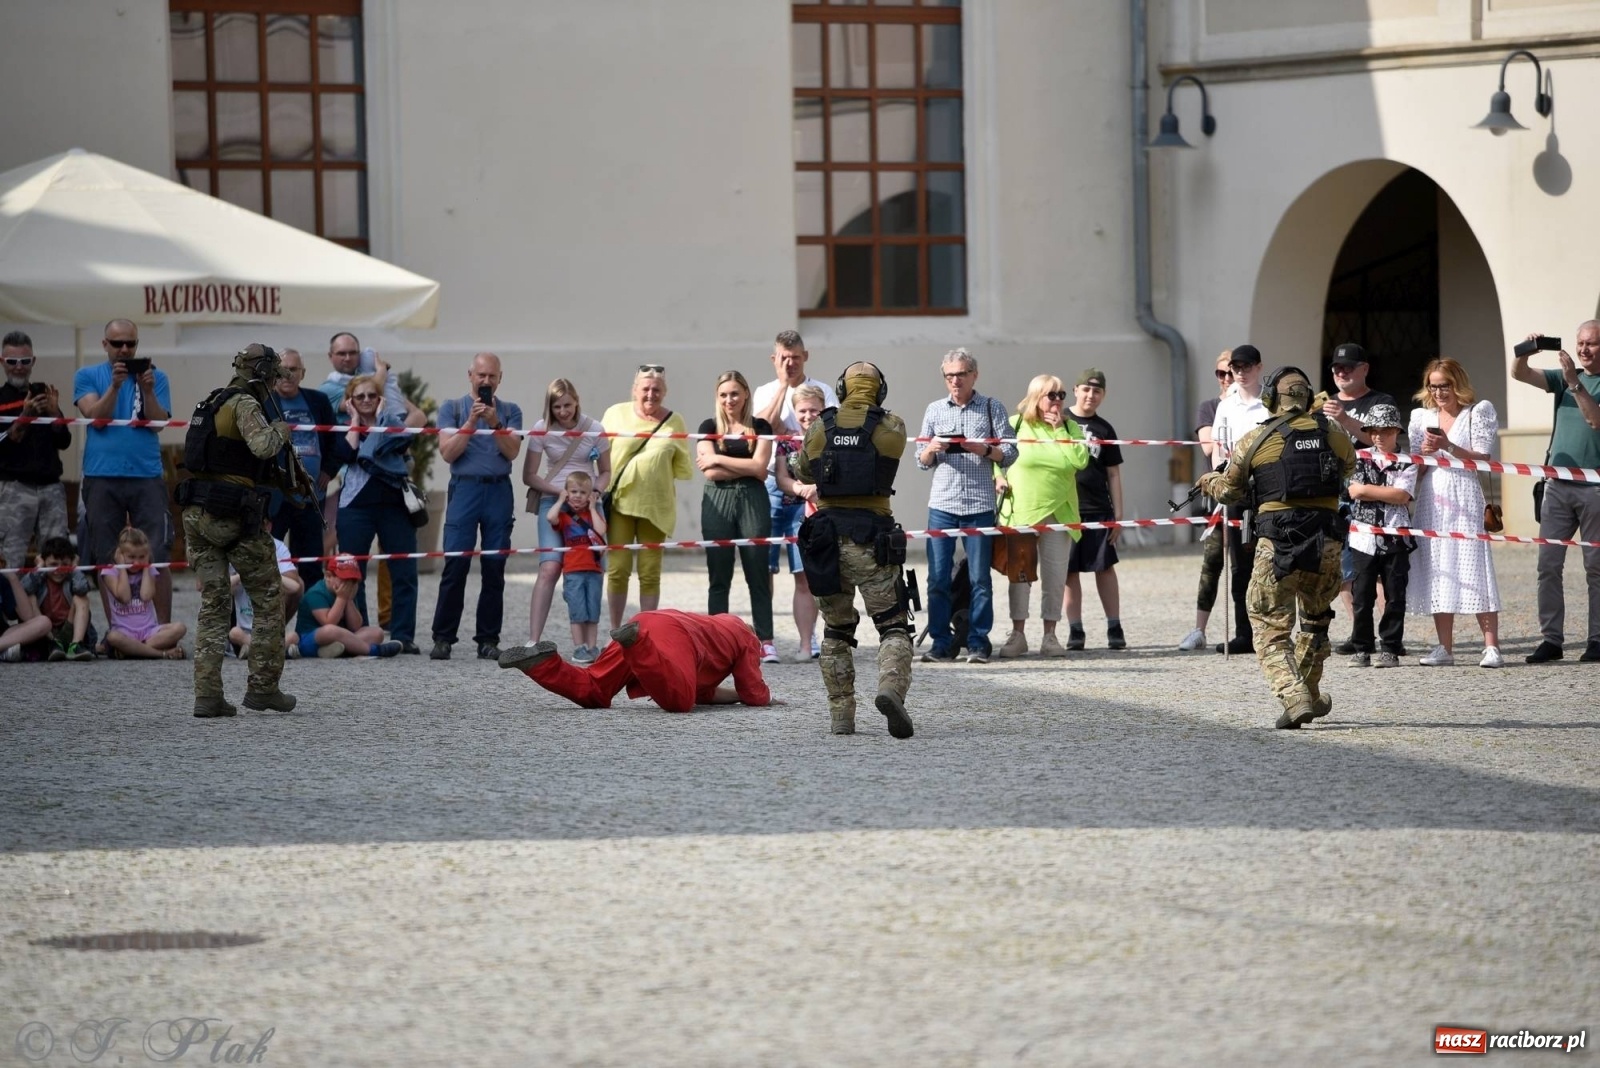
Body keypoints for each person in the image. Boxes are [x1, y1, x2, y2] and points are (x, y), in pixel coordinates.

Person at [1197, 365, 1355, 729]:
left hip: (1279, 544)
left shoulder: (1255, 439)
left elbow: (1231, 491)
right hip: (1328, 542)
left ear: (1271, 398)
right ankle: (1310, 694)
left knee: (1269, 624)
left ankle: (1293, 693)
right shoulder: (1333, 432)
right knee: (1316, 621)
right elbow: (1348, 468)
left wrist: (1207, 481)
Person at [178, 343, 315, 717]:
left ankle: (207, 696)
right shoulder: (246, 405)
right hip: (232, 514)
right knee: (270, 600)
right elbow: (263, 446)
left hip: (196, 511)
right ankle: (263, 689)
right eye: (273, 377)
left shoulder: (212, 402)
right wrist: (282, 430)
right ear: (264, 375)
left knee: (214, 603)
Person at [793, 361, 914, 738]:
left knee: (836, 630)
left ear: (842, 390)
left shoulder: (819, 427)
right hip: (873, 542)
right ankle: (890, 689)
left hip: (827, 541)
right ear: (880, 390)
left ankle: (841, 715)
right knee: (894, 626)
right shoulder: (891, 427)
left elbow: (802, 472)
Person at [915, 348, 1017, 663]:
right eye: (949, 375)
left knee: (979, 578)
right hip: (943, 504)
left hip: (979, 503)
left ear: (974, 374)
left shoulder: (991, 407)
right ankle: (941, 643)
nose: (955, 381)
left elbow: (1011, 452)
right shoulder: (934, 410)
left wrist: (986, 450)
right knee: (937, 577)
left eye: (961, 374)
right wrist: (931, 449)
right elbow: (920, 461)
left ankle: (978, 642)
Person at [73, 319, 174, 625]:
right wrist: (116, 386)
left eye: (131, 343)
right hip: (102, 475)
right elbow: (96, 417)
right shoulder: (88, 375)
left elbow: (159, 423)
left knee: (157, 553)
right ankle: (118, 632)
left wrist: (148, 391)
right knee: (107, 556)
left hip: (146, 474)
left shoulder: (156, 377)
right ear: (105, 345)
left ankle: (163, 630)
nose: (125, 350)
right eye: (118, 344)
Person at [1406, 358, 1503, 668]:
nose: (1438, 392)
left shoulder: (1477, 412)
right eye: (1433, 386)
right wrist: (1422, 456)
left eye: (1444, 385)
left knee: (1475, 566)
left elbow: (1483, 457)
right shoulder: (1422, 417)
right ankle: (1444, 647)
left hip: (1464, 493)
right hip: (1433, 496)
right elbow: (1418, 467)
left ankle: (1491, 647)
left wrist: (1448, 445)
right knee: (1438, 569)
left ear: (1457, 384)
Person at [1513, 322, 1600, 664]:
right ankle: (1551, 639)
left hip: (1595, 487)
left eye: (1591, 344)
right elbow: (1520, 374)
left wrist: (1575, 383)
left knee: (1596, 567)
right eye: (1580, 343)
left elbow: (1595, 420)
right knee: (1548, 565)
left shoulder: (1573, 380)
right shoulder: (1563, 377)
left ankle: (1597, 639)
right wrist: (1525, 351)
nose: (1583, 349)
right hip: (1558, 485)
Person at [429, 352, 522, 661]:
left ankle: (488, 639)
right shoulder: (452, 409)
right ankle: (443, 637)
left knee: (494, 568)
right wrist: (471, 421)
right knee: (455, 564)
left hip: (498, 491)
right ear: (470, 375)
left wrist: (495, 422)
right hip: (464, 489)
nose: (486, 381)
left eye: (492, 376)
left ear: (500, 378)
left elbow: (512, 453)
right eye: (481, 375)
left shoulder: (510, 411)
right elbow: (447, 453)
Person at [498, 609, 771, 714]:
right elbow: (753, 691)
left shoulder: (716, 625)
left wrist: (734, 697)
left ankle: (542, 663)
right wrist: (762, 698)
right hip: (673, 636)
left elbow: (705, 692)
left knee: (595, 688)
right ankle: (638, 645)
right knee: (679, 701)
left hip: (646, 620)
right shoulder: (746, 637)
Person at [753, 330, 838, 662]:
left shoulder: (824, 391)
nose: (790, 363)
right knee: (766, 570)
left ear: (806, 356)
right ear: (775, 359)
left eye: (796, 357)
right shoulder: (764, 391)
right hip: (773, 486)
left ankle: (808, 639)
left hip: (810, 490)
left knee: (805, 572)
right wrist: (784, 391)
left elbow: (831, 432)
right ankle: (766, 641)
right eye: (783, 358)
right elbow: (765, 429)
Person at [992, 374, 1089, 658]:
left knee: (1055, 577)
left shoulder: (1071, 427)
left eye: (1061, 395)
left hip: (1060, 511)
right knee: (1020, 577)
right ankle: (1018, 634)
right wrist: (999, 477)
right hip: (1021, 510)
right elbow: (996, 456)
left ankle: (1050, 636)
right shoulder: (1015, 424)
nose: (1058, 400)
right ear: (1037, 397)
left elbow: (1080, 461)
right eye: (1052, 395)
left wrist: (1060, 431)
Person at [329, 374, 421, 653]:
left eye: (372, 395)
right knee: (353, 573)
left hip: (395, 506)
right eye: (360, 397)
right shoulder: (343, 427)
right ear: (350, 401)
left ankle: (404, 635)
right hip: (356, 507)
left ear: (380, 398)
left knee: (404, 571)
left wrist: (383, 418)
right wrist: (355, 421)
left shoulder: (392, 424)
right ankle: (360, 633)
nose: (367, 400)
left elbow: (403, 441)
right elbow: (346, 453)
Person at [1321, 342, 1401, 654]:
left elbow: (1385, 440)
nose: (1341, 372)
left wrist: (1346, 420)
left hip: (1372, 495)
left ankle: (1389, 640)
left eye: (1349, 367)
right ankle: (1360, 634)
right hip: (1336, 494)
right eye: (1336, 368)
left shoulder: (1381, 401)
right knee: (1345, 572)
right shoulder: (1323, 405)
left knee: (1376, 569)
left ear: (1364, 369)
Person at [601, 366, 692, 631]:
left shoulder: (676, 421)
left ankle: (646, 632)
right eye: (645, 389)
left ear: (665, 392)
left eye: (657, 390)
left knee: (650, 572)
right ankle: (616, 630)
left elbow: (682, 466)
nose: (651, 395)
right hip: (620, 503)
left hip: (657, 505)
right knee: (618, 570)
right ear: (635, 390)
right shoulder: (615, 414)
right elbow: (599, 453)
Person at [696, 370, 777, 661]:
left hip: (753, 498)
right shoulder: (708, 426)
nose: (729, 399)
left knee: (757, 571)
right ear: (717, 397)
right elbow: (710, 472)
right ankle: (716, 638)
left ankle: (765, 638)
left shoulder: (761, 426)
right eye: (723, 394)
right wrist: (736, 464)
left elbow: (760, 468)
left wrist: (718, 457)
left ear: (745, 394)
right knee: (719, 572)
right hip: (717, 498)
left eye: (734, 393)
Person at [522, 378, 610, 645]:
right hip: (554, 503)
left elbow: (606, 471)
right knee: (549, 568)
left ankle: (589, 644)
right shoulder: (541, 429)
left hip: (589, 505)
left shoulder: (595, 429)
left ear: (577, 402)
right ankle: (534, 640)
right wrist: (557, 493)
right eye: (557, 406)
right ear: (549, 406)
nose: (563, 411)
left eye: (568, 405)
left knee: (592, 568)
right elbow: (529, 475)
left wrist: (596, 493)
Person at [1343, 404, 1415, 668]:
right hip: (1363, 537)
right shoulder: (1359, 456)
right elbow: (1353, 491)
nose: (1378, 436)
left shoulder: (1408, 460)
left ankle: (1391, 648)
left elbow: (1402, 496)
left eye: (1384, 431)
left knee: (1395, 595)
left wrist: (1367, 489)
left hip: (1396, 536)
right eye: (1373, 431)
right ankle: (1362, 648)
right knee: (1361, 595)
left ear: (1396, 430)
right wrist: (1376, 491)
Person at [1208, 344, 1269, 654]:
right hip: (1237, 491)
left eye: (1247, 366)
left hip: (1268, 492)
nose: (1241, 372)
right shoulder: (1226, 406)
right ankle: (1244, 633)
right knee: (1239, 567)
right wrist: (1220, 479)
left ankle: (1272, 631)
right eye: (1236, 367)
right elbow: (1217, 447)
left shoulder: (1270, 403)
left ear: (1259, 367)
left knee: (1272, 563)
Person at [1062, 368, 1127, 651]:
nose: (1090, 395)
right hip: (1067, 509)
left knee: (1105, 568)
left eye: (1097, 391)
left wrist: (1119, 515)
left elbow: (1113, 474)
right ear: (1075, 390)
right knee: (1069, 572)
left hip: (1099, 508)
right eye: (1086, 389)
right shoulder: (1061, 421)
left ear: (1103, 395)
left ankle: (1114, 626)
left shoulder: (1105, 429)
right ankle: (1075, 631)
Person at [267, 348, 339, 588]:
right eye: (282, 369)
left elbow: (335, 440)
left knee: (310, 565)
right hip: (275, 500)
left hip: (310, 499)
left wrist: (329, 470)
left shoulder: (318, 401)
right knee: (268, 562)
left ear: (303, 373)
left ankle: (310, 620)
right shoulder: (262, 403)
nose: (288, 375)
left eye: (294, 369)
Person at [1178, 351, 1235, 651]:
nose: (1226, 378)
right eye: (1220, 373)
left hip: (1247, 494)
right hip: (1216, 494)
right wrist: (1228, 408)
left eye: (1231, 372)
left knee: (1247, 563)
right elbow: (1207, 447)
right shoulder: (1210, 407)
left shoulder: (1253, 408)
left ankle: (1250, 629)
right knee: (1212, 562)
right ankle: (1199, 629)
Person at [1, 331, 72, 570]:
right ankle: (12, 608)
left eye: (25, 361)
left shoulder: (43, 396)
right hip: (14, 487)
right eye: (12, 362)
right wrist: (25, 418)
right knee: (11, 559)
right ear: (2, 362)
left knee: (57, 559)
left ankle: (53, 608)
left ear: (33, 362)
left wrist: (55, 414)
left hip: (50, 486)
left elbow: (64, 441)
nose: (19, 367)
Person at [772, 384, 828, 659]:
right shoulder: (787, 440)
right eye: (802, 410)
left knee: (832, 578)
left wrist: (819, 489)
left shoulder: (833, 438)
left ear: (823, 410)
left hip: (827, 513)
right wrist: (801, 489)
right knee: (803, 580)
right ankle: (807, 643)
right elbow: (781, 477)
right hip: (796, 514)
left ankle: (835, 640)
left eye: (813, 410)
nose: (807, 415)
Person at [101, 526, 188, 661]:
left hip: (149, 632)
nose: (137, 562)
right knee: (113, 637)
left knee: (180, 628)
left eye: (142, 556)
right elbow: (124, 597)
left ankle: (133, 650)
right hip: (124, 632)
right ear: (120, 554)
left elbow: (146, 596)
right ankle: (162, 653)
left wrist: (147, 565)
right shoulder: (110, 571)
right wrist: (122, 568)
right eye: (131, 557)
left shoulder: (149, 570)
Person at [547, 472, 607, 663]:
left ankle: (592, 647)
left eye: (583, 492)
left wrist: (593, 507)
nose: (578, 495)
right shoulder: (565, 517)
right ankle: (579, 647)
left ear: (589, 495)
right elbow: (550, 517)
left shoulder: (592, 515)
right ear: (567, 493)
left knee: (593, 612)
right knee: (577, 611)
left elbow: (601, 530)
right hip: (573, 571)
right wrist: (560, 500)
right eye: (573, 491)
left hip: (594, 571)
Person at [295, 554, 403, 659]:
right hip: (310, 640)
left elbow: (355, 627)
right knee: (331, 630)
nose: (349, 584)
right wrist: (341, 598)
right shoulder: (316, 593)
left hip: (339, 637)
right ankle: (373, 650)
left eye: (353, 580)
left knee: (377, 633)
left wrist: (349, 600)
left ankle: (337, 650)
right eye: (344, 579)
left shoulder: (346, 591)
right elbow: (329, 623)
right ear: (328, 576)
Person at [228, 516, 303, 661]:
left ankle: (255, 650)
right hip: (246, 631)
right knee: (234, 633)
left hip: (270, 631)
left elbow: (295, 587)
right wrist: (241, 575)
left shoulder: (272, 569)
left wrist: (271, 572)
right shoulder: (240, 566)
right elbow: (222, 588)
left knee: (293, 636)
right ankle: (277, 652)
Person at [16, 535, 97, 661]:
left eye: (64, 564)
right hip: (46, 633)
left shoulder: (71, 578)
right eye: (53, 564)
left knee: (81, 598)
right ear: (44, 562)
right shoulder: (41, 579)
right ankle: (53, 644)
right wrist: (39, 568)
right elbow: (24, 590)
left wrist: (75, 568)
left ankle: (76, 645)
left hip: (69, 629)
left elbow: (82, 588)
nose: (59, 569)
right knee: (30, 597)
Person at [0, 553, 53, 662]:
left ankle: (2, 649)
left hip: (2, 635)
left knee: (44, 622)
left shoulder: (2, 579)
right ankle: (4, 651)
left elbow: (27, 616)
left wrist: (13, 578)